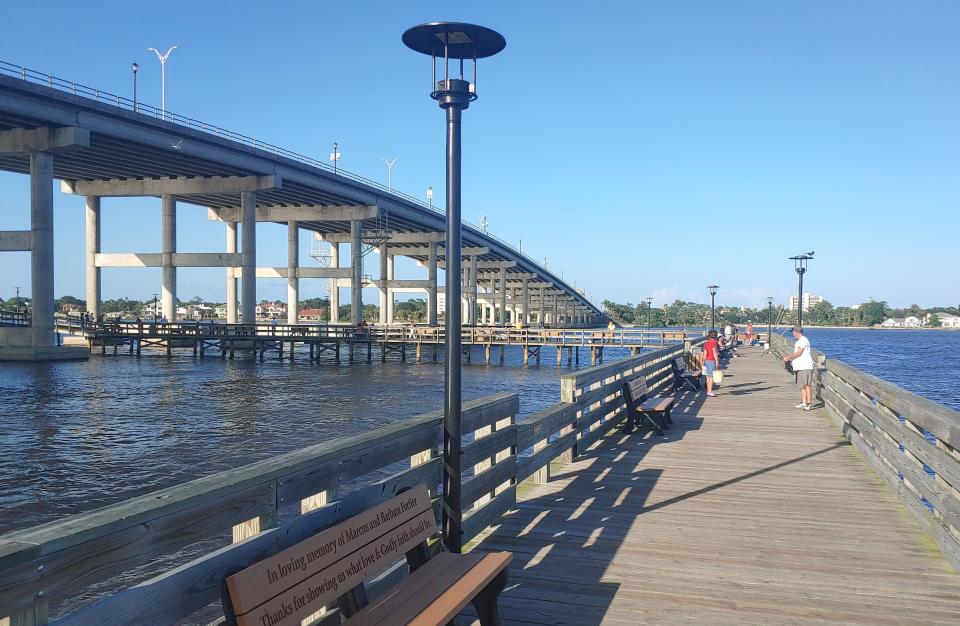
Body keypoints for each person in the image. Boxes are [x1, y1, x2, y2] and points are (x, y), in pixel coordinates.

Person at [783, 326, 814, 410]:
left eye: (793, 332)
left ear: (797, 332)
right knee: (801, 386)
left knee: (807, 385)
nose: (793, 334)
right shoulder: (799, 341)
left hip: (805, 366)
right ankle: (804, 403)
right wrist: (790, 360)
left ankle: (809, 403)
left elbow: (799, 353)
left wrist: (788, 358)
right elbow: (797, 355)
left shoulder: (803, 340)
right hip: (799, 367)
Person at [703, 330, 720, 397]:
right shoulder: (714, 343)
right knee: (711, 377)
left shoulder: (706, 343)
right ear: (715, 336)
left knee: (708, 377)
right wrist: (717, 362)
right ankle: (709, 392)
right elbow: (714, 353)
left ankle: (708, 391)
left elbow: (705, 354)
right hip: (712, 361)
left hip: (707, 361)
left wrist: (703, 362)